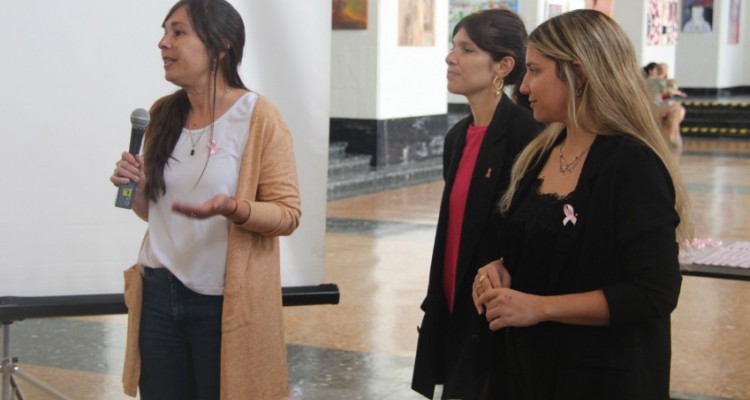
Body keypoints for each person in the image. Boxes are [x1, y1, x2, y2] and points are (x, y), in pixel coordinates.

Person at [472, 10, 692, 399]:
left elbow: (653, 293)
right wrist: (498, 269)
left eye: (535, 71)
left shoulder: (632, 164)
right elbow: (541, 245)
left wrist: (540, 308)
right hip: (529, 370)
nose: (523, 87)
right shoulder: (541, 152)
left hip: (599, 377)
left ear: (579, 74)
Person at [109, 0, 301, 398]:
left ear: (219, 47)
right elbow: (159, 216)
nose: (164, 43)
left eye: (178, 32)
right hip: (159, 292)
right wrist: (141, 191)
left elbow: (287, 213)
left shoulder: (258, 116)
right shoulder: (163, 114)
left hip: (222, 303)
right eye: (164, 33)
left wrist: (234, 208)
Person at [412, 8, 542, 400]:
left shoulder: (527, 134)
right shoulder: (457, 138)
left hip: (496, 317)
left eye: (466, 49)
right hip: (454, 308)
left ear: (503, 65)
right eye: (453, 47)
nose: (451, 58)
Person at [646, 62, 687, 158]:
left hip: (656, 107)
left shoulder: (656, 82)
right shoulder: (653, 81)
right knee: (677, 110)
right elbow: (669, 88)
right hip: (652, 109)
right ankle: (671, 137)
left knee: (677, 110)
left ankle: (671, 136)